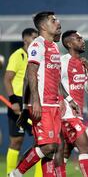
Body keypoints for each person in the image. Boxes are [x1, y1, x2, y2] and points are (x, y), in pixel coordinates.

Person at [9, 11, 63, 177]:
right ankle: (17, 173)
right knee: (49, 147)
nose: (58, 22)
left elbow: (55, 77)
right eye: (53, 20)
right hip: (43, 104)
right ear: (42, 27)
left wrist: (64, 99)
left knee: (50, 150)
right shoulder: (37, 45)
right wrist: (33, 103)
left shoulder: (53, 46)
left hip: (54, 104)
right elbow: (30, 74)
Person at [53, 30, 88, 176]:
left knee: (65, 151)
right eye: (78, 39)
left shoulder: (82, 63)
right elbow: (55, 82)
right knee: (85, 148)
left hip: (77, 114)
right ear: (69, 44)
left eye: (82, 38)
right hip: (67, 114)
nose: (82, 40)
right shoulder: (63, 61)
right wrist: (69, 100)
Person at [4, 28, 39, 175]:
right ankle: (10, 174)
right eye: (34, 38)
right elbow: (7, 79)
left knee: (40, 143)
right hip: (18, 101)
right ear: (25, 40)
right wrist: (13, 101)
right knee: (16, 141)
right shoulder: (17, 56)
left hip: (35, 101)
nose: (37, 40)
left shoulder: (38, 56)